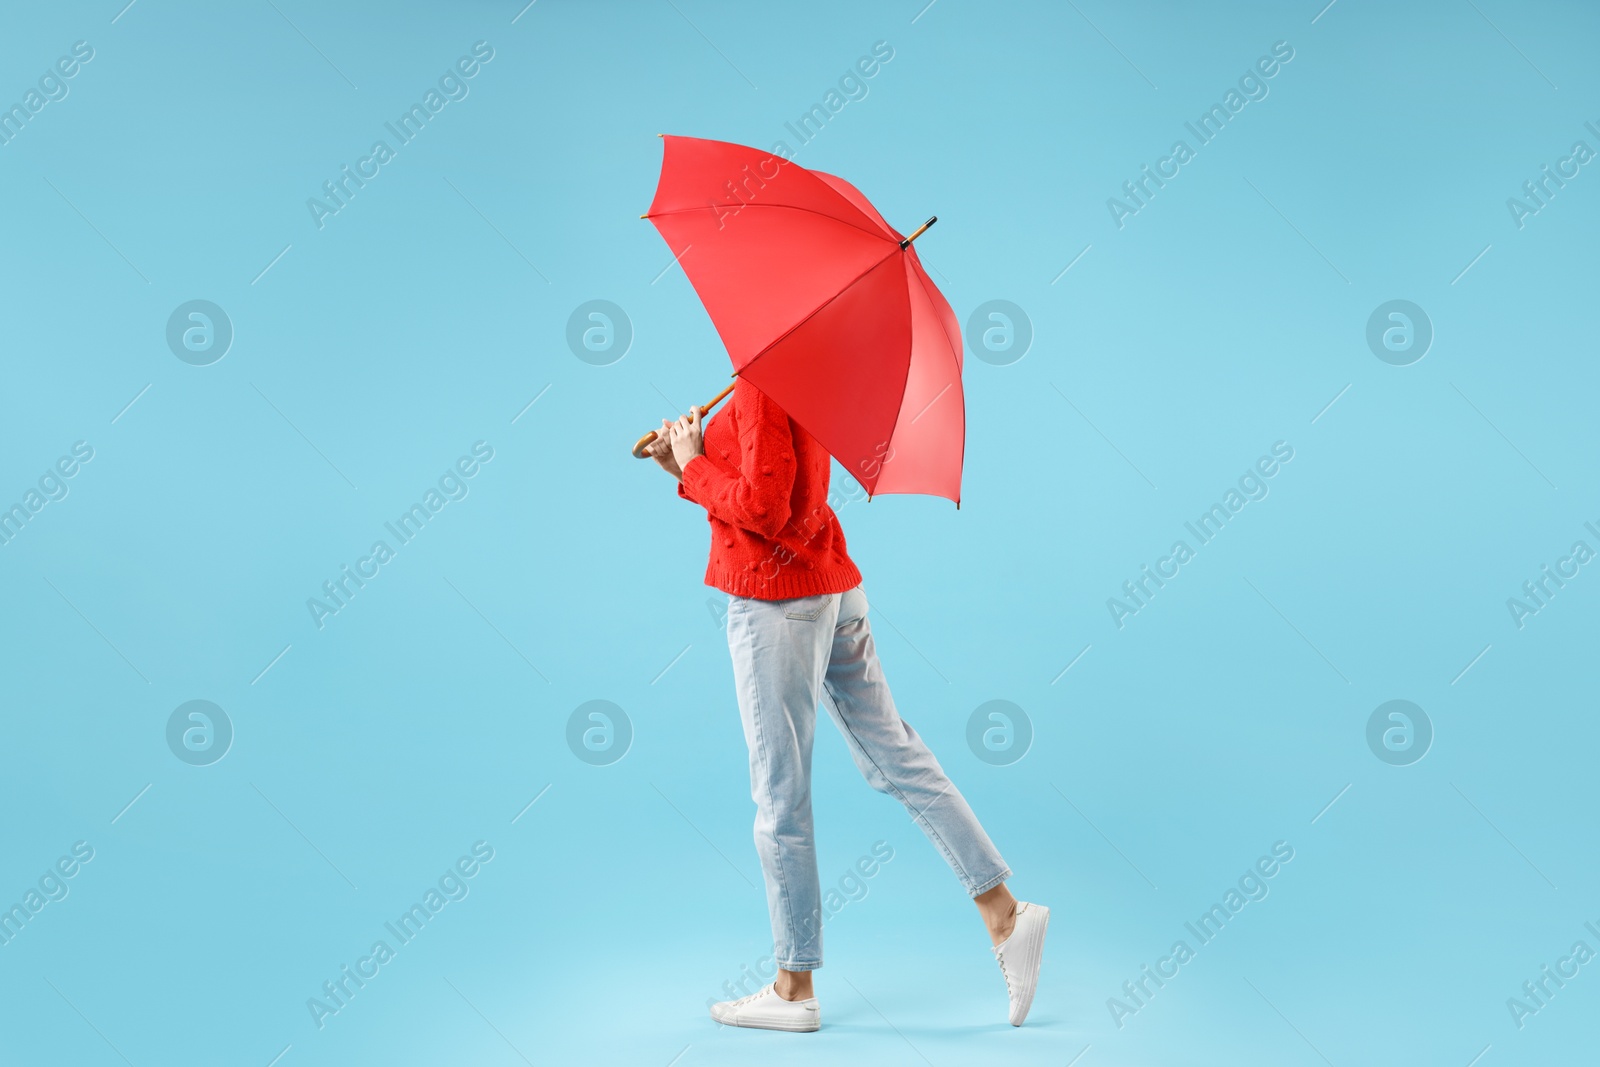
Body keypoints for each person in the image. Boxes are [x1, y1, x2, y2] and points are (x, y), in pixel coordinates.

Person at [644, 378, 1048, 1032]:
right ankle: (1005, 911)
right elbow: (778, 492)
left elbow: (766, 510)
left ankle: (793, 985)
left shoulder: (760, 381)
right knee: (894, 754)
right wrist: (686, 468)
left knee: (779, 795)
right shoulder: (801, 373)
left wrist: (692, 461)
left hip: (778, 602)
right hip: (829, 583)